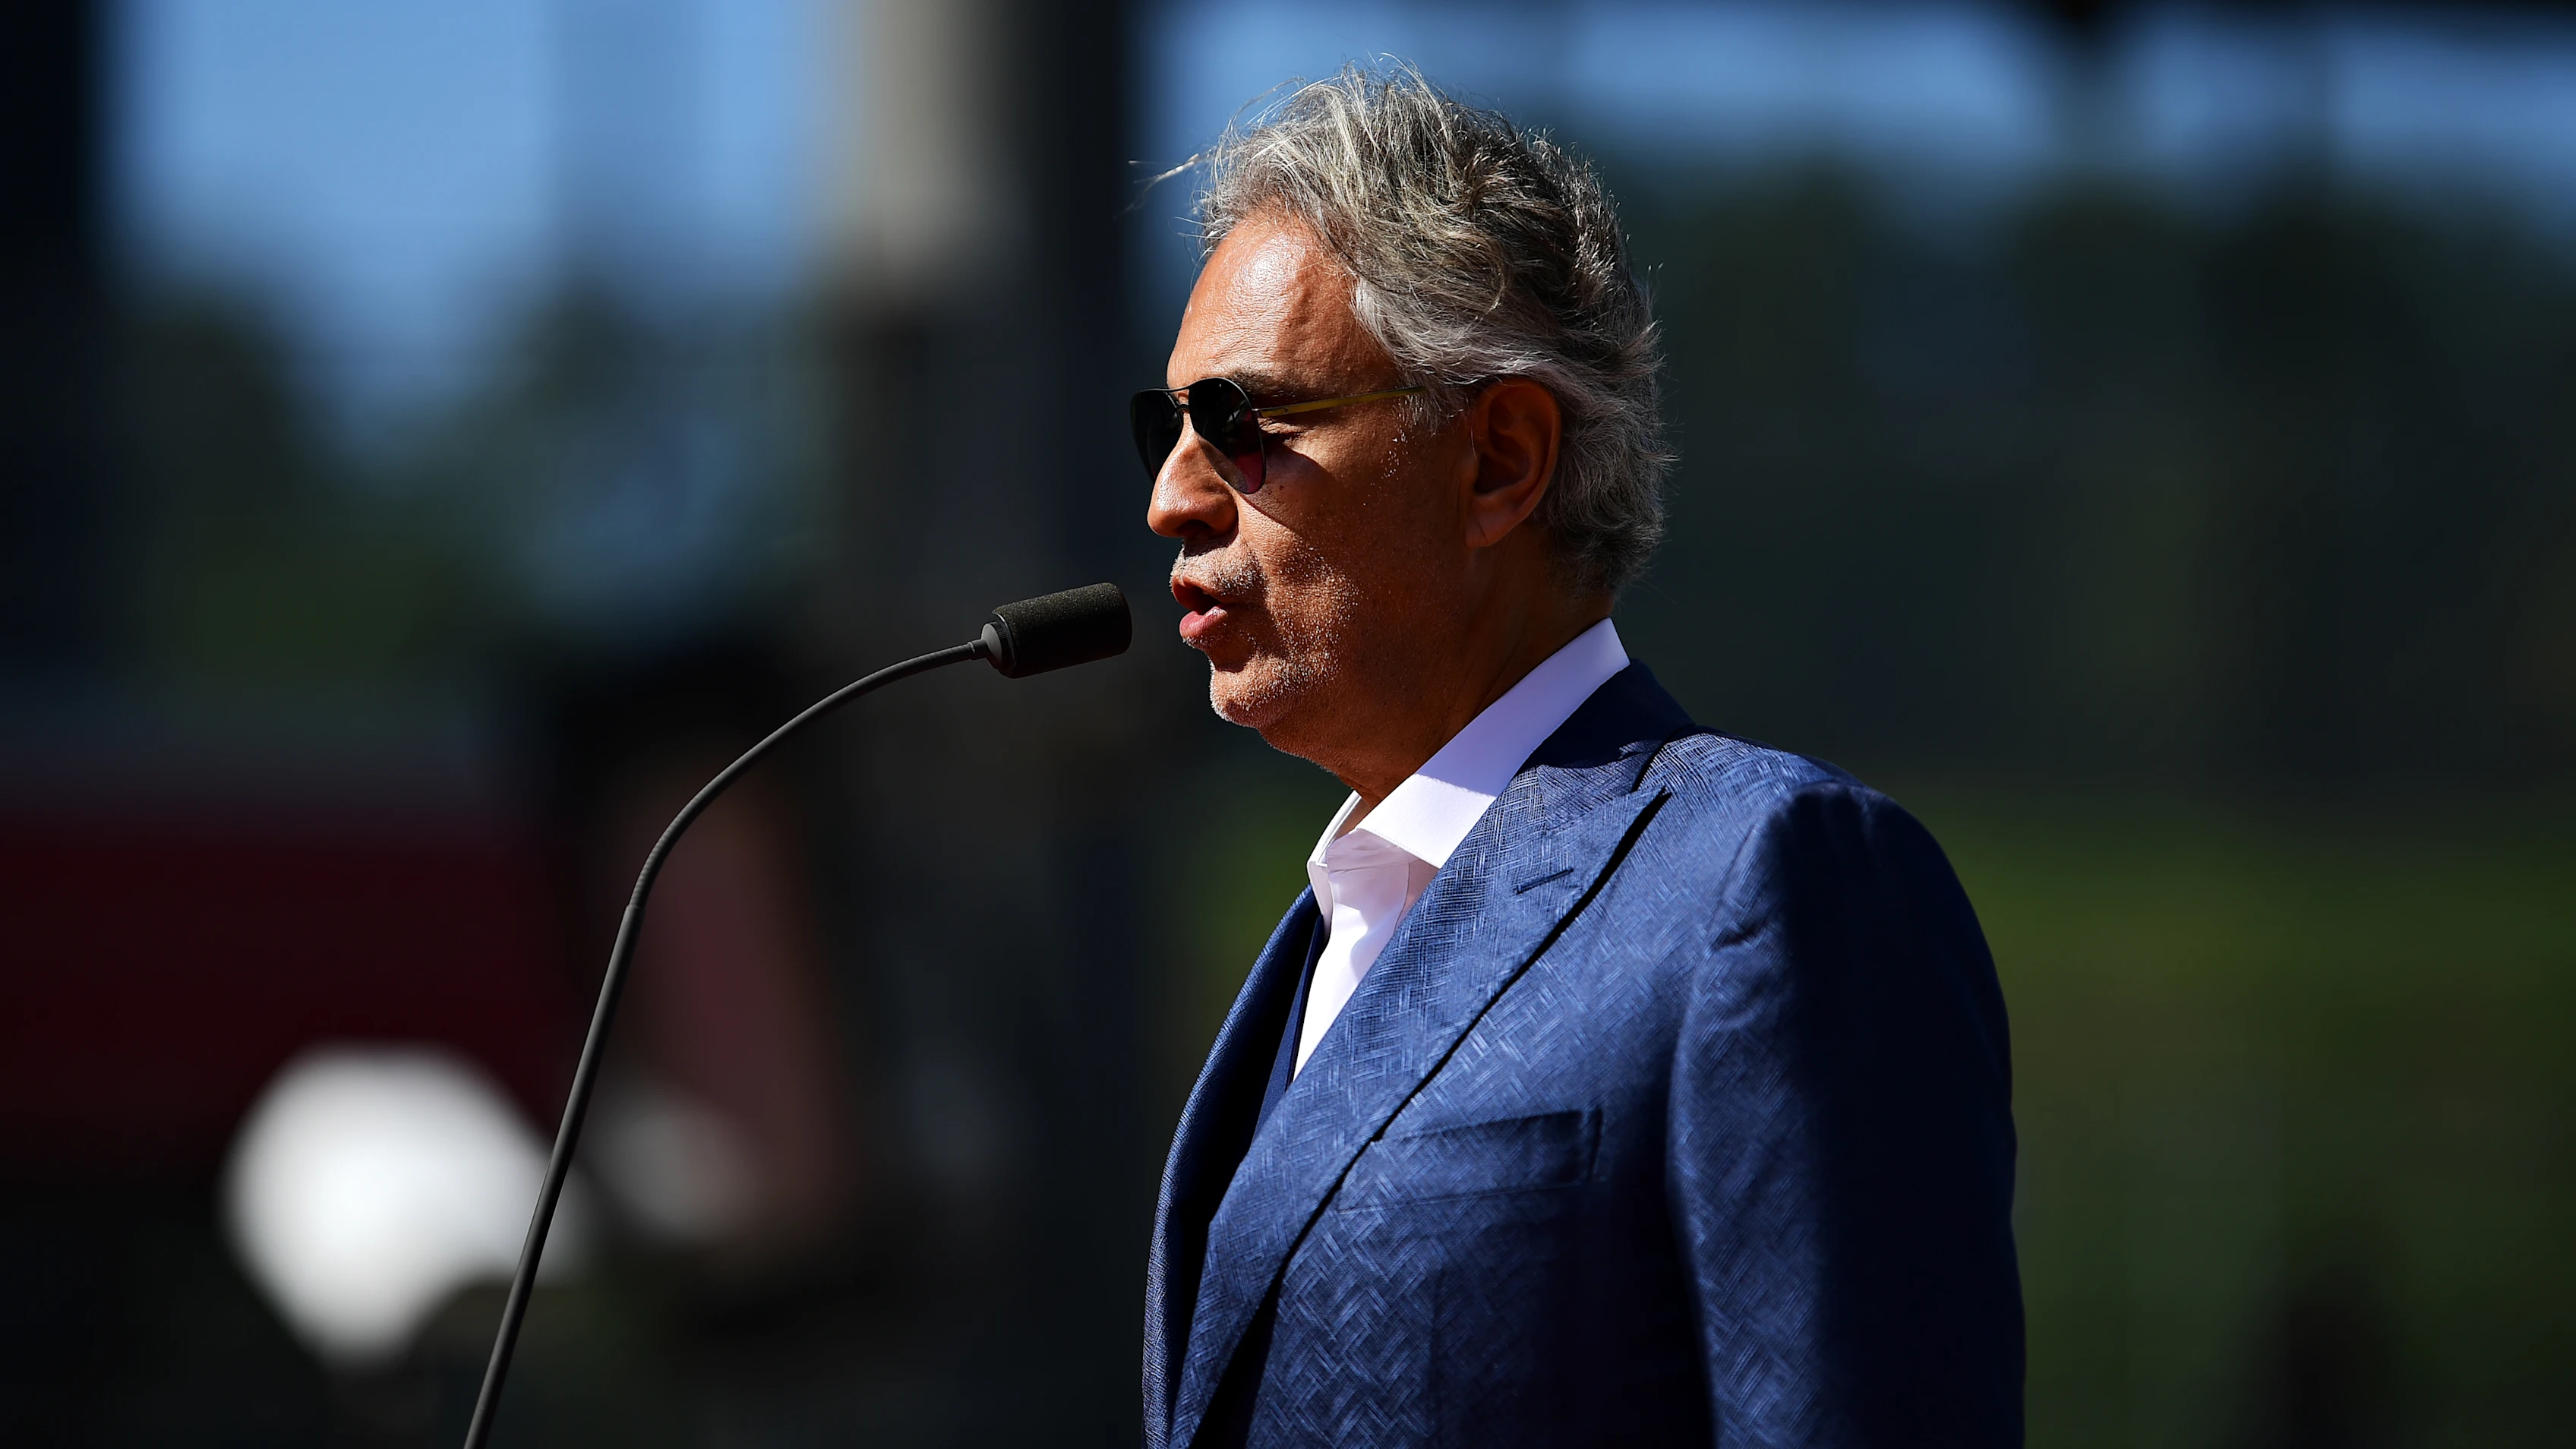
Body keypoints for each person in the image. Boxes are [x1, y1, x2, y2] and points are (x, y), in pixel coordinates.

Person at [1135, 67, 2021, 1449]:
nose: (1171, 497)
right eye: (1168, 427)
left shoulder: (1771, 884)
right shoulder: (1331, 940)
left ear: (1497, 461)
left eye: (1242, 424)